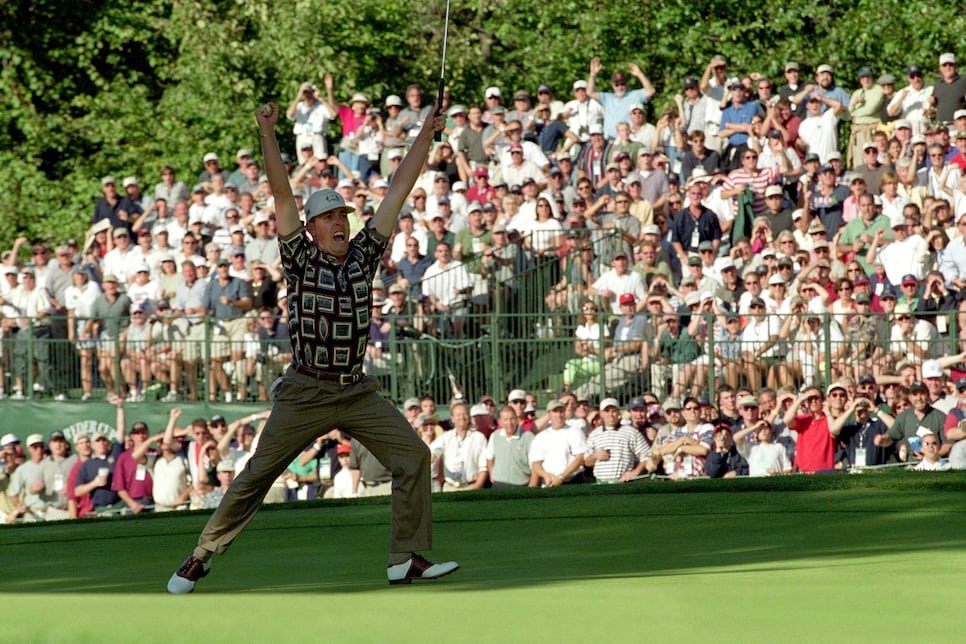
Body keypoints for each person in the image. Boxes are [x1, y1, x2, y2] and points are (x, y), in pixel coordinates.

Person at [167, 99, 457, 594]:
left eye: (343, 214)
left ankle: (402, 558)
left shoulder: (365, 255)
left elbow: (399, 189)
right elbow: (281, 193)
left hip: (355, 391)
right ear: (312, 228)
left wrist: (425, 137)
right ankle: (200, 555)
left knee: (413, 455)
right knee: (258, 473)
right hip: (304, 390)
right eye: (329, 217)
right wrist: (266, 133)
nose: (340, 222)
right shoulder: (299, 257)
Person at [583, 398, 651, 483]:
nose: (610, 415)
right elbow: (586, 462)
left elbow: (646, 455)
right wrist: (595, 456)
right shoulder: (594, 435)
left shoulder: (631, 432)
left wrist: (634, 473)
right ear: (601, 414)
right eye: (607, 411)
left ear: (618, 413)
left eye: (613, 411)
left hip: (623, 483)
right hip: (601, 484)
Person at [484, 405, 534, 488]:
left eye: (512, 419)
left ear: (517, 419)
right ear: (500, 422)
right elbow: (489, 457)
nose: (509, 423)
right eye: (506, 420)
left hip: (520, 485)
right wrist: (492, 473)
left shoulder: (528, 437)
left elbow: (534, 465)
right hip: (498, 485)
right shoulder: (495, 436)